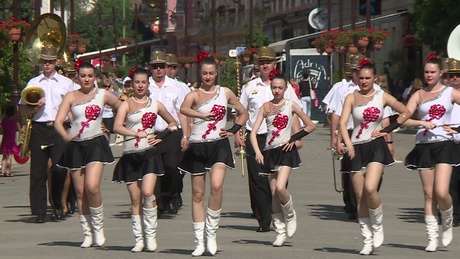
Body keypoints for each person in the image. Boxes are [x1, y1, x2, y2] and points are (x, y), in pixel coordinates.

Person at [339, 58, 410, 255]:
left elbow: (405, 112)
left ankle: (378, 224)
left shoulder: (382, 96)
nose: (363, 81)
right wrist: (348, 144)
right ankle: (366, 238)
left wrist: (388, 129)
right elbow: (343, 123)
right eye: (361, 78)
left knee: (371, 188)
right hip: (356, 146)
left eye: (368, 78)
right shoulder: (351, 98)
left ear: (375, 78)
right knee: (360, 196)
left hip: (376, 146)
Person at [178, 57, 248, 256]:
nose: (208, 77)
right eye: (204, 73)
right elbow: (183, 109)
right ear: (200, 74)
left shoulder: (225, 92)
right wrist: (200, 116)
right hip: (198, 146)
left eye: (211, 73)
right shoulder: (194, 95)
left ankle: (212, 233)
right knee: (198, 194)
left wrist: (234, 130)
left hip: (219, 144)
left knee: (216, 186)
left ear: (216, 73)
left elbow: (243, 113)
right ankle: (199, 240)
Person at [54, 61, 121, 248]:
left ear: (95, 77)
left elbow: (122, 107)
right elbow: (58, 121)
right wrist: (66, 136)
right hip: (75, 145)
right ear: (77, 77)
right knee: (80, 192)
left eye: (90, 76)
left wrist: (112, 126)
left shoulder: (103, 94)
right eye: (83, 76)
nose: (86, 79)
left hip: (96, 144)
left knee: (92, 187)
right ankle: (87, 232)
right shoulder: (71, 96)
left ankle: (99, 229)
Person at [236, 46, 302, 233]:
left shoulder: (283, 85)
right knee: (258, 180)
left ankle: (279, 215)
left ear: (274, 63)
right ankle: (264, 220)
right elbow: (241, 112)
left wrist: (296, 136)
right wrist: (238, 134)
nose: (265, 66)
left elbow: (294, 111)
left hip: (279, 138)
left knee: (277, 182)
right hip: (256, 137)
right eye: (262, 62)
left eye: (268, 62)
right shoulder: (250, 87)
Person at [113, 67, 177, 252]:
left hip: (149, 153)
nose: (140, 85)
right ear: (132, 84)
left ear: (147, 84)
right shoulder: (126, 104)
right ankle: (139, 239)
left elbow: (172, 123)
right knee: (135, 198)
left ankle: (151, 236)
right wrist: (134, 133)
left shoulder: (155, 104)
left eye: (143, 82)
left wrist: (161, 136)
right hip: (130, 154)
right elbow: (117, 126)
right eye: (137, 82)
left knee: (148, 193)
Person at [250, 74, 315, 247]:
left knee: (280, 187)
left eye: (280, 87)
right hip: (270, 152)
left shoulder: (290, 104)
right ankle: (279, 230)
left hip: (286, 151)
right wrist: (258, 152)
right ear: (271, 89)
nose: (277, 90)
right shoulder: (265, 107)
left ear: (286, 89)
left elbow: (310, 125)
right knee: (273, 193)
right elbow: (253, 132)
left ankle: (290, 213)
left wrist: (294, 138)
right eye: (274, 87)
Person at [404, 54, 460, 252]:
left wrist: (458, 129)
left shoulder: (451, 93)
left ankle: (447, 219)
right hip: (424, 145)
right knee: (428, 194)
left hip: (444, 144)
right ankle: (431, 237)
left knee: (441, 191)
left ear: (440, 73)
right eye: (426, 72)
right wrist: (420, 122)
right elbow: (404, 117)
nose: (429, 75)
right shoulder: (418, 95)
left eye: (432, 72)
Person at [18, 45, 74, 223]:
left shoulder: (66, 83)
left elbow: (74, 106)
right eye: (44, 61)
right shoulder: (33, 83)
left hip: (59, 127)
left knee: (59, 169)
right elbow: (23, 109)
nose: (47, 64)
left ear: (56, 62)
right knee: (38, 172)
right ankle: (40, 211)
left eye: (50, 61)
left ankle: (57, 203)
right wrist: (35, 107)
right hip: (40, 127)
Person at [148, 51, 190, 215]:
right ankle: (158, 202)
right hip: (151, 133)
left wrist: (186, 136)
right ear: (150, 68)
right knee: (154, 169)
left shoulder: (176, 87)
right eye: (155, 66)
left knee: (171, 167)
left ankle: (170, 195)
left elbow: (182, 113)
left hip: (172, 133)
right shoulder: (146, 85)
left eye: (161, 66)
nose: (158, 69)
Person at [446, 58, 460, 227]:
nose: (455, 78)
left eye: (458, 75)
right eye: (452, 75)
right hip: (449, 142)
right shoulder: (444, 96)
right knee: (451, 181)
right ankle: (455, 214)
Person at [0, 105, 21, 177]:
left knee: (4, 157)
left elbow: (2, 131)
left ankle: (2, 171)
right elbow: (20, 130)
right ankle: (8, 172)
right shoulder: (15, 122)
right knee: (9, 157)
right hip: (12, 141)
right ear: (14, 113)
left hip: (5, 140)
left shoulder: (3, 122)